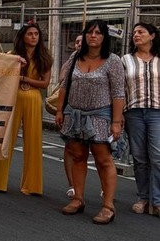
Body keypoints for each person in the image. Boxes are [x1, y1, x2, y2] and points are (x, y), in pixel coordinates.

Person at [55, 19, 125, 224]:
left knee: (103, 159)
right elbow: (64, 86)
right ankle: (78, 198)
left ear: (105, 37)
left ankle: (108, 206)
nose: (93, 36)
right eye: (89, 32)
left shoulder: (113, 61)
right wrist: (60, 110)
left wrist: (116, 121)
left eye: (98, 32)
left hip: (101, 115)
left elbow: (118, 93)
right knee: (78, 156)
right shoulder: (76, 57)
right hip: (74, 113)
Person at [0, 23, 52, 196]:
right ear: (23, 37)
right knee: (4, 137)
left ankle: (33, 185)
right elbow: (1, 74)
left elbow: (45, 83)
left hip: (34, 99)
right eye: (30, 34)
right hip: (13, 97)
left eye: (36, 34)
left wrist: (22, 77)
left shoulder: (44, 58)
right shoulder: (12, 56)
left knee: (34, 141)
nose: (34, 37)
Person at [122, 22, 160, 215]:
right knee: (139, 158)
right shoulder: (126, 60)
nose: (136, 35)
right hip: (134, 112)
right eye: (134, 32)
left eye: (141, 32)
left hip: (157, 112)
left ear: (152, 36)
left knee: (157, 157)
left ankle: (157, 200)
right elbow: (120, 90)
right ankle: (143, 198)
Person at [62, 34, 83, 199]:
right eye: (76, 42)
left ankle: (104, 187)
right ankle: (72, 186)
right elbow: (62, 79)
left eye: (82, 42)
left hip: (96, 111)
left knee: (99, 151)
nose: (79, 45)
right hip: (71, 108)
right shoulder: (72, 59)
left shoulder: (105, 59)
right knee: (70, 147)